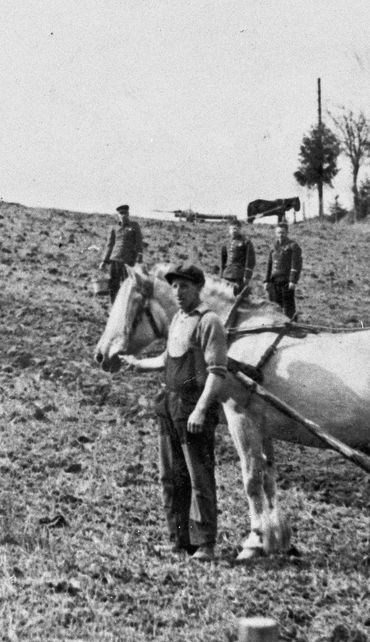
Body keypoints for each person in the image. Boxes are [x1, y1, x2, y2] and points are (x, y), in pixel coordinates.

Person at [121, 264, 227, 562]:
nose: (179, 293)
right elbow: (169, 357)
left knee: (198, 477)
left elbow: (217, 372)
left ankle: (205, 543)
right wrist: (139, 364)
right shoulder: (178, 319)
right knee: (172, 476)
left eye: (185, 287)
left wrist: (202, 410)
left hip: (193, 408)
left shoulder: (209, 322)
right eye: (175, 287)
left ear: (198, 288)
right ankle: (179, 541)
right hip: (169, 404)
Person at [99, 204, 145, 301]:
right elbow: (110, 244)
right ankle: (114, 307)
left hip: (128, 261)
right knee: (113, 285)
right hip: (114, 260)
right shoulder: (114, 228)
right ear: (118, 215)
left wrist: (139, 258)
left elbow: (139, 243)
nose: (123, 215)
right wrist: (104, 260)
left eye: (125, 213)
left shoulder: (134, 226)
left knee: (127, 285)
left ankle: (126, 305)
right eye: (121, 213)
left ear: (128, 214)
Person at [265, 221, 303, 320]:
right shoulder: (273, 247)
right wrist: (266, 280)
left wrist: (293, 281)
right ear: (275, 233)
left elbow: (296, 264)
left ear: (287, 233)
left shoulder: (293, 246)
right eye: (278, 232)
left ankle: (293, 326)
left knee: (288, 307)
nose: (280, 235)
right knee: (275, 306)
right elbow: (269, 265)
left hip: (286, 282)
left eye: (282, 232)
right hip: (274, 282)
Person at [219, 218, 256, 293]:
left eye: (236, 228)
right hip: (227, 275)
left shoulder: (246, 242)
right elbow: (223, 261)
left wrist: (247, 277)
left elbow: (251, 261)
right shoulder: (226, 243)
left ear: (240, 229)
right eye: (232, 229)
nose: (234, 231)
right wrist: (221, 275)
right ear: (229, 230)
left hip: (239, 276)